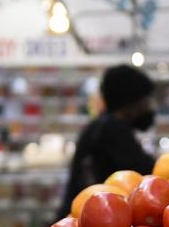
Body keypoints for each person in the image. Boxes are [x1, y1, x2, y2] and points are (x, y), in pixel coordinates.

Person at [60, 64, 157, 215]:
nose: (147, 108)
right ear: (130, 103)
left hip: (83, 214)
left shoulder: (98, 125)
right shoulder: (114, 130)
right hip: (91, 217)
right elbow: (148, 172)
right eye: (143, 101)